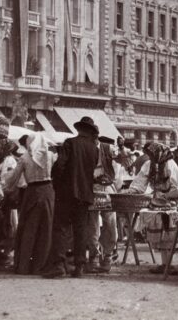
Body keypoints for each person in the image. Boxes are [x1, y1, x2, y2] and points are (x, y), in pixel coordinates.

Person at [43, 116, 99, 278]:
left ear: (79, 129)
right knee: (80, 230)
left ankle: (59, 264)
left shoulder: (70, 143)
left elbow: (60, 166)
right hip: (85, 194)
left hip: (67, 193)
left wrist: (57, 184)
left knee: (60, 228)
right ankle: (79, 266)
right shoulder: (94, 149)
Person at [4, 132, 55, 275]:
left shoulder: (24, 158)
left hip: (32, 192)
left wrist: (5, 182)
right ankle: (41, 264)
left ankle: (24, 265)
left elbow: (13, 178)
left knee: (29, 228)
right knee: (46, 228)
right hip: (48, 191)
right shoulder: (51, 156)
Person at [87, 136, 119, 274]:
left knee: (110, 223)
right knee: (92, 224)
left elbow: (121, 162)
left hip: (106, 189)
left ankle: (107, 256)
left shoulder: (107, 149)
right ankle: (94, 256)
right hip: (92, 189)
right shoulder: (86, 149)